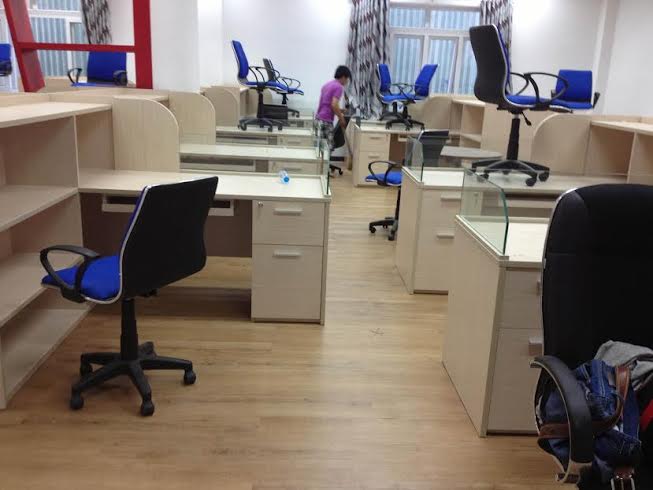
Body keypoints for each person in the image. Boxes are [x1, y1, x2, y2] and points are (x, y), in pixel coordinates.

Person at [316, 65, 352, 147]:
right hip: (326, 121)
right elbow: (334, 104)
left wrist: (340, 110)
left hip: (319, 119)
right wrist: (341, 118)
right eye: (347, 79)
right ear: (343, 77)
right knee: (328, 147)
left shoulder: (327, 85)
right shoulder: (339, 87)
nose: (347, 81)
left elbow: (325, 104)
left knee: (320, 147)